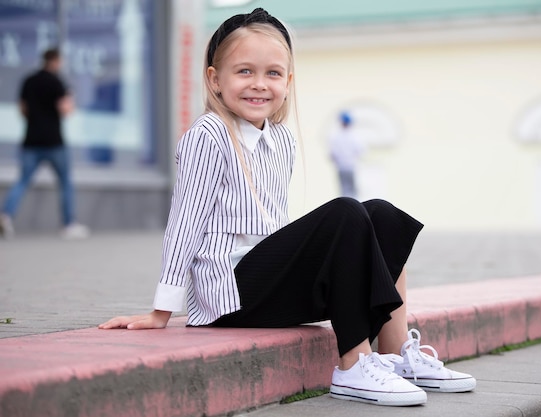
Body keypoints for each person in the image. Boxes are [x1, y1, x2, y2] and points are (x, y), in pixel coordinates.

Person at [98, 8, 475, 407]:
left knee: (381, 214)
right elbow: (184, 222)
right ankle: (353, 364)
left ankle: (395, 356)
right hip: (229, 294)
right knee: (345, 211)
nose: (259, 85)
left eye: (273, 74)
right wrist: (163, 309)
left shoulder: (281, 140)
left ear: (288, 81)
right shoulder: (207, 136)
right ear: (215, 79)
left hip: (269, 285)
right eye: (244, 71)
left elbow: (277, 232)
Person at [0, 48, 89, 239]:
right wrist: (69, 99)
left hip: (30, 140)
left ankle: (5, 216)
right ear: (55, 61)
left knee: (23, 180)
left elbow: (22, 109)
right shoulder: (57, 82)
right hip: (53, 141)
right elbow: (66, 110)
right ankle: (68, 224)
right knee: (65, 182)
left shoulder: (29, 81)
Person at [329, 111, 364, 199]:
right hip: (351, 167)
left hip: (341, 167)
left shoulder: (336, 136)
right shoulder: (354, 136)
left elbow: (332, 154)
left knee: (344, 190)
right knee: (353, 191)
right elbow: (360, 151)